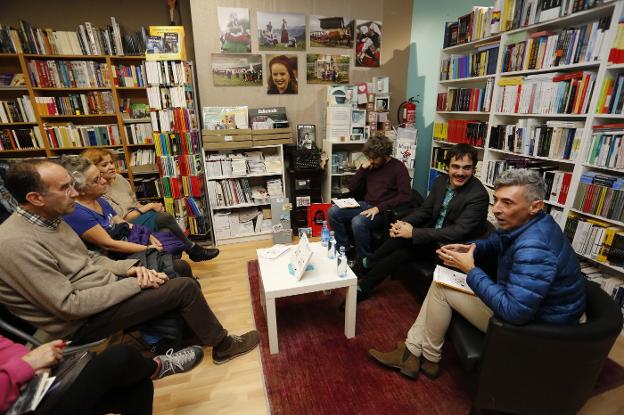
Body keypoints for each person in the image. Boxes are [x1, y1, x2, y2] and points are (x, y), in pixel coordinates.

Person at [0, 159, 259, 365]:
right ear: (35, 198)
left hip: (102, 289)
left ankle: (191, 334)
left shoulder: (51, 218)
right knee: (184, 287)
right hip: (82, 321)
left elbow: (89, 258)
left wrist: (132, 268)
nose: (74, 192)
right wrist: (137, 283)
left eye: (72, 184)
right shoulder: (16, 243)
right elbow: (70, 306)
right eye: (64, 188)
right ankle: (223, 347)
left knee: (177, 267)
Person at [368, 169, 586, 380]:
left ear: (535, 206)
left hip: (538, 329)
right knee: (442, 278)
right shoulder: (527, 222)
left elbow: (515, 312)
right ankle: (417, 354)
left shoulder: (534, 247)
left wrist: (471, 270)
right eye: (497, 200)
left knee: (442, 287)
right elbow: (495, 241)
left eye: (507, 202)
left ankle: (420, 355)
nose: (497, 209)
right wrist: (470, 248)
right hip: (532, 309)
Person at [352, 143, 489, 303]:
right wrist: (402, 224)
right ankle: (365, 275)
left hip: (451, 246)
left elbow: (457, 232)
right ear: (447, 167)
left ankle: (366, 268)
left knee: (402, 251)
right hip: (433, 237)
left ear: (474, 169)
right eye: (455, 167)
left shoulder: (478, 195)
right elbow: (425, 210)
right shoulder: (441, 181)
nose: (460, 172)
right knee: (400, 238)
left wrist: (413, 233)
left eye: (466, 168)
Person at [0, 337, 202, 414]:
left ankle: (156, 366)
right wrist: (27, 364)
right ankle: (158, 367)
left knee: (137, 386)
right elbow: (67, 302)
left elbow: (6, 347)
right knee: (119, 358)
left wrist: (33, 362)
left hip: (28, 390)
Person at [82, 148, 219, 262]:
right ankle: (192, 249)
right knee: (164, 218)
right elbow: (123, 219)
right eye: (104, 165)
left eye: (111, 162)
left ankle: (176, 267)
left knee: (167, 231)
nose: (111, 167)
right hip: (126, 224)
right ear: (94, 169)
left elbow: (135, 203)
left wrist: (147, 208)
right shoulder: (99, 191)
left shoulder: (120, 179)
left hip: (137, 217)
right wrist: (151, 206)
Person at [61, 157, 186, 259]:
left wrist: (148, 235)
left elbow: (123, 223)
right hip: (114, 257)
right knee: (172, 257)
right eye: (96, 180)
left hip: (125, 242)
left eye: (100, 176)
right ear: (79, 189)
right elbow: (110, 245)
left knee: (169, 239)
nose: (104, 181)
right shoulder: (77, 213)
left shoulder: (99, 200)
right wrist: (147, 249)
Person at [328, 134, 412, 261]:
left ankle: (365, 261)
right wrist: (362, 169)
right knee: (333, 211)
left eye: (375, 158)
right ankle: (344, 250)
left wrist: (379, 208)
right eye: (369, 157)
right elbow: (352, 187)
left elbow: (405, 196)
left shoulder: (398, 168)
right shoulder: (371, 166)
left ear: (385, 154)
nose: (371, 160)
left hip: (383, 212)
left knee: (358, 222)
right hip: (366, 204)